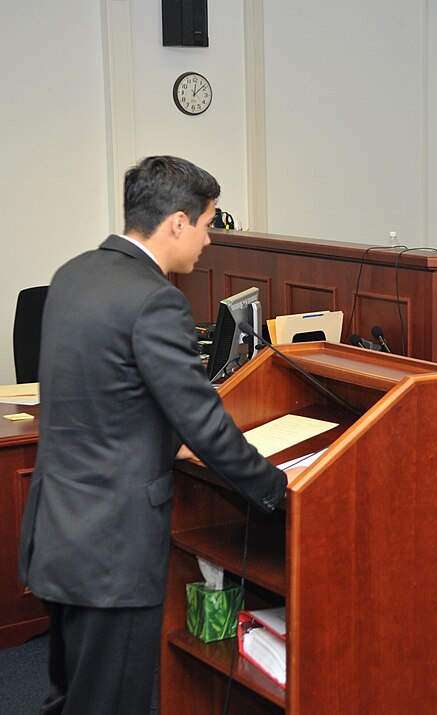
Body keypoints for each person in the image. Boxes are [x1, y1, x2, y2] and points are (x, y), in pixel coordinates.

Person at [18, 156, 297, 714]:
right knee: (110, 703)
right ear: (177, 222)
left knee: (70, 694)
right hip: (112, 551)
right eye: (208, 223)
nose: (210, 240)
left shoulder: (74, 274)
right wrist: (277, 491)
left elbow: (102, 397)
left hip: (57, 532)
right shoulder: (156, 301)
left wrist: (165, 439)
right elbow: (206, 423)